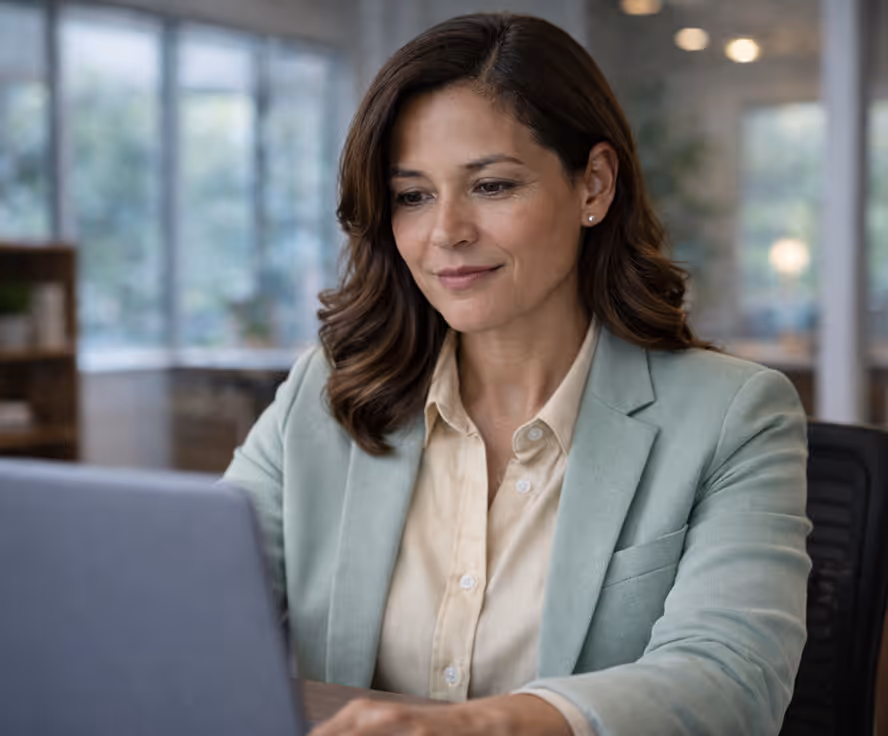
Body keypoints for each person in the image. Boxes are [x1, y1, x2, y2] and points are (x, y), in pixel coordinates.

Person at [224, 12, 810, 736]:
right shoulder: (326, 392)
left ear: (593, 185)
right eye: (412, 196)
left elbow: (730, 678)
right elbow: (192, 597)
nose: (447, 232)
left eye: (493, 186)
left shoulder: (735, 416)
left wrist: (479, 727)